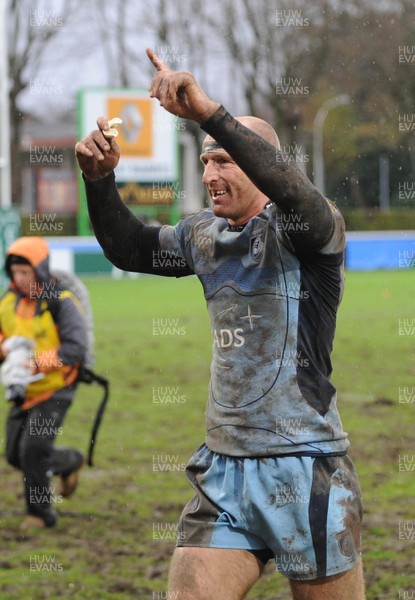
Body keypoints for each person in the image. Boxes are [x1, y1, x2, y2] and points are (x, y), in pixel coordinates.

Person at [75, 48, 365, 599]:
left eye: (224, 159)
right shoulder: (204, 236)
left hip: (306, 467)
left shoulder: (310, 231)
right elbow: (131, 247)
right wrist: (99, 181)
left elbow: (294, 191)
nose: (210, 172)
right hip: (225, 468)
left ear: (257, 164)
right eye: (205, 161)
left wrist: (209, 113)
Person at [0, 237, 86, 530]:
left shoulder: (61, 302)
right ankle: (70, 461)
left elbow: (76, 349)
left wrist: (37, 362)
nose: (20, 279)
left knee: (33, 449)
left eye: (27, 272)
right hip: (23, 389)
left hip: (56, 388)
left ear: (41, 269)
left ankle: (40, 514)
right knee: (14, 454)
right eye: (16, 272)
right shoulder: (7, 302)